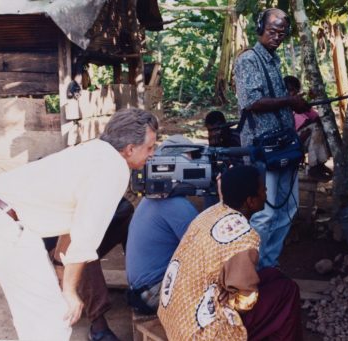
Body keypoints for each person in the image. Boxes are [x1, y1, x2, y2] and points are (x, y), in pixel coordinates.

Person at [0, 108, 158, 340]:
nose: (152, 154)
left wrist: (58, 264)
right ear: (130, 149)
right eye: (150, 147)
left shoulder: (95, 151)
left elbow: (73, 221)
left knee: (35, 317)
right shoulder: (113, 168)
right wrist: (70, 291)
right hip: (1, 225)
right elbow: (85, 238)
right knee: (54, 318)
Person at [158, 165, 303, 340]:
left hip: (173, 314)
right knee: (288, 290)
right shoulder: (245, 238)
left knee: (273, 275)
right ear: (250, 201)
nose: (266, 191)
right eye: (262, 188)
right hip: (200, 332)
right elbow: (245, 302)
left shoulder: (210, 213)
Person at [234, 8, 309, 269]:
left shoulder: (273, 61)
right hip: (263, 149)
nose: (277, 36)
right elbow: (252, 101)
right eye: (272, 31)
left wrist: (294, 105)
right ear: (259, 30)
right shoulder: (249, 60)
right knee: (265, 213)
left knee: (288, 209)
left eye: (282, 33)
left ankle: (268, 263)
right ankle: (251, 269)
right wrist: (290, 101)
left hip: (284, 148)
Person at [125, 135, 199, 315]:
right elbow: (204, 248)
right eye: (189, 161)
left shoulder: (156, 195)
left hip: (142, 290)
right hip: (152, 294)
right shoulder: (173, 203)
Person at [44, 197, 134, 341]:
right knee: (81, 248)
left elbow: (124, 207)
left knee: (130, 219)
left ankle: (138, 287)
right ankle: (98, 325)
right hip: (53, 247)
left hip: (82, 231)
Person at [283, 75, 333, 182]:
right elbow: (305, 124)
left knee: (321, 128)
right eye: (290, 90)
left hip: (302, 141)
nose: (292, 94)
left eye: (295, 91)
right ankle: (314, 167)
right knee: (315, 128)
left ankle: (318, 164)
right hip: (288, 144)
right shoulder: (281, 105)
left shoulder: (298, 103)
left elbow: (316, 118)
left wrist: (309, 101)